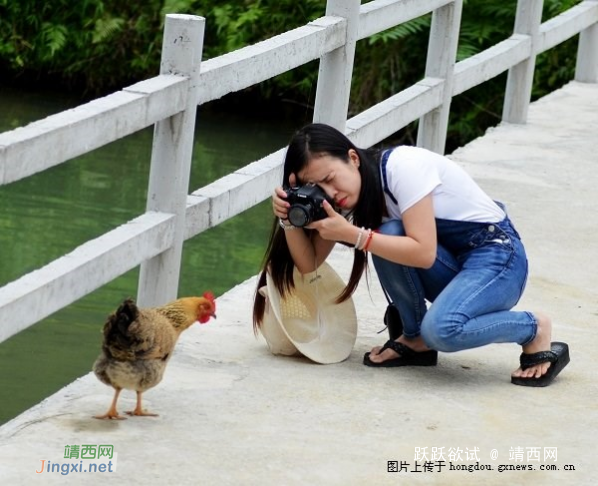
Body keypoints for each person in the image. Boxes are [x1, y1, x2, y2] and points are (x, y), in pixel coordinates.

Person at [252, 122, 569, 386]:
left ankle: (532, 327)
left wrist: (355, 236)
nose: (330, 193)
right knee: (387, 234)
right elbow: (309, 265)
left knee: (442, 330)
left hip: (499, 259)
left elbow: (423, 253)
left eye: (330, 179)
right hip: (457, 266)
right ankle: (414, 337)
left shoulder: (402, 167)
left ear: (353, 158)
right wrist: (288, 220)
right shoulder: (348, 201)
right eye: (317, 187)